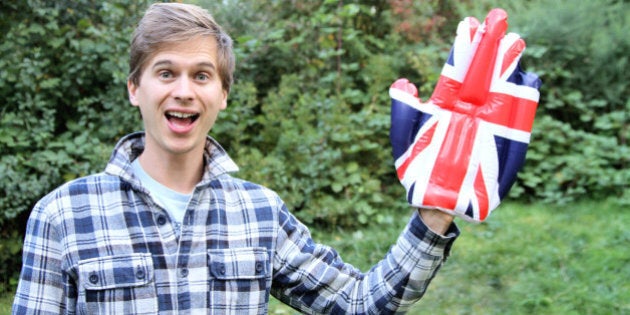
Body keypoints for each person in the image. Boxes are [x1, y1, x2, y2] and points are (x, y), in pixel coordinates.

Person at [12, 3, 460, 314]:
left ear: (222, 94)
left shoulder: (259, 213)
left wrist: (434, 215)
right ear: (135, 88)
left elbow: (359, 303)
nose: (184, 90)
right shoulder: (62, 216)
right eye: (166, 72)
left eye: (202, 75)